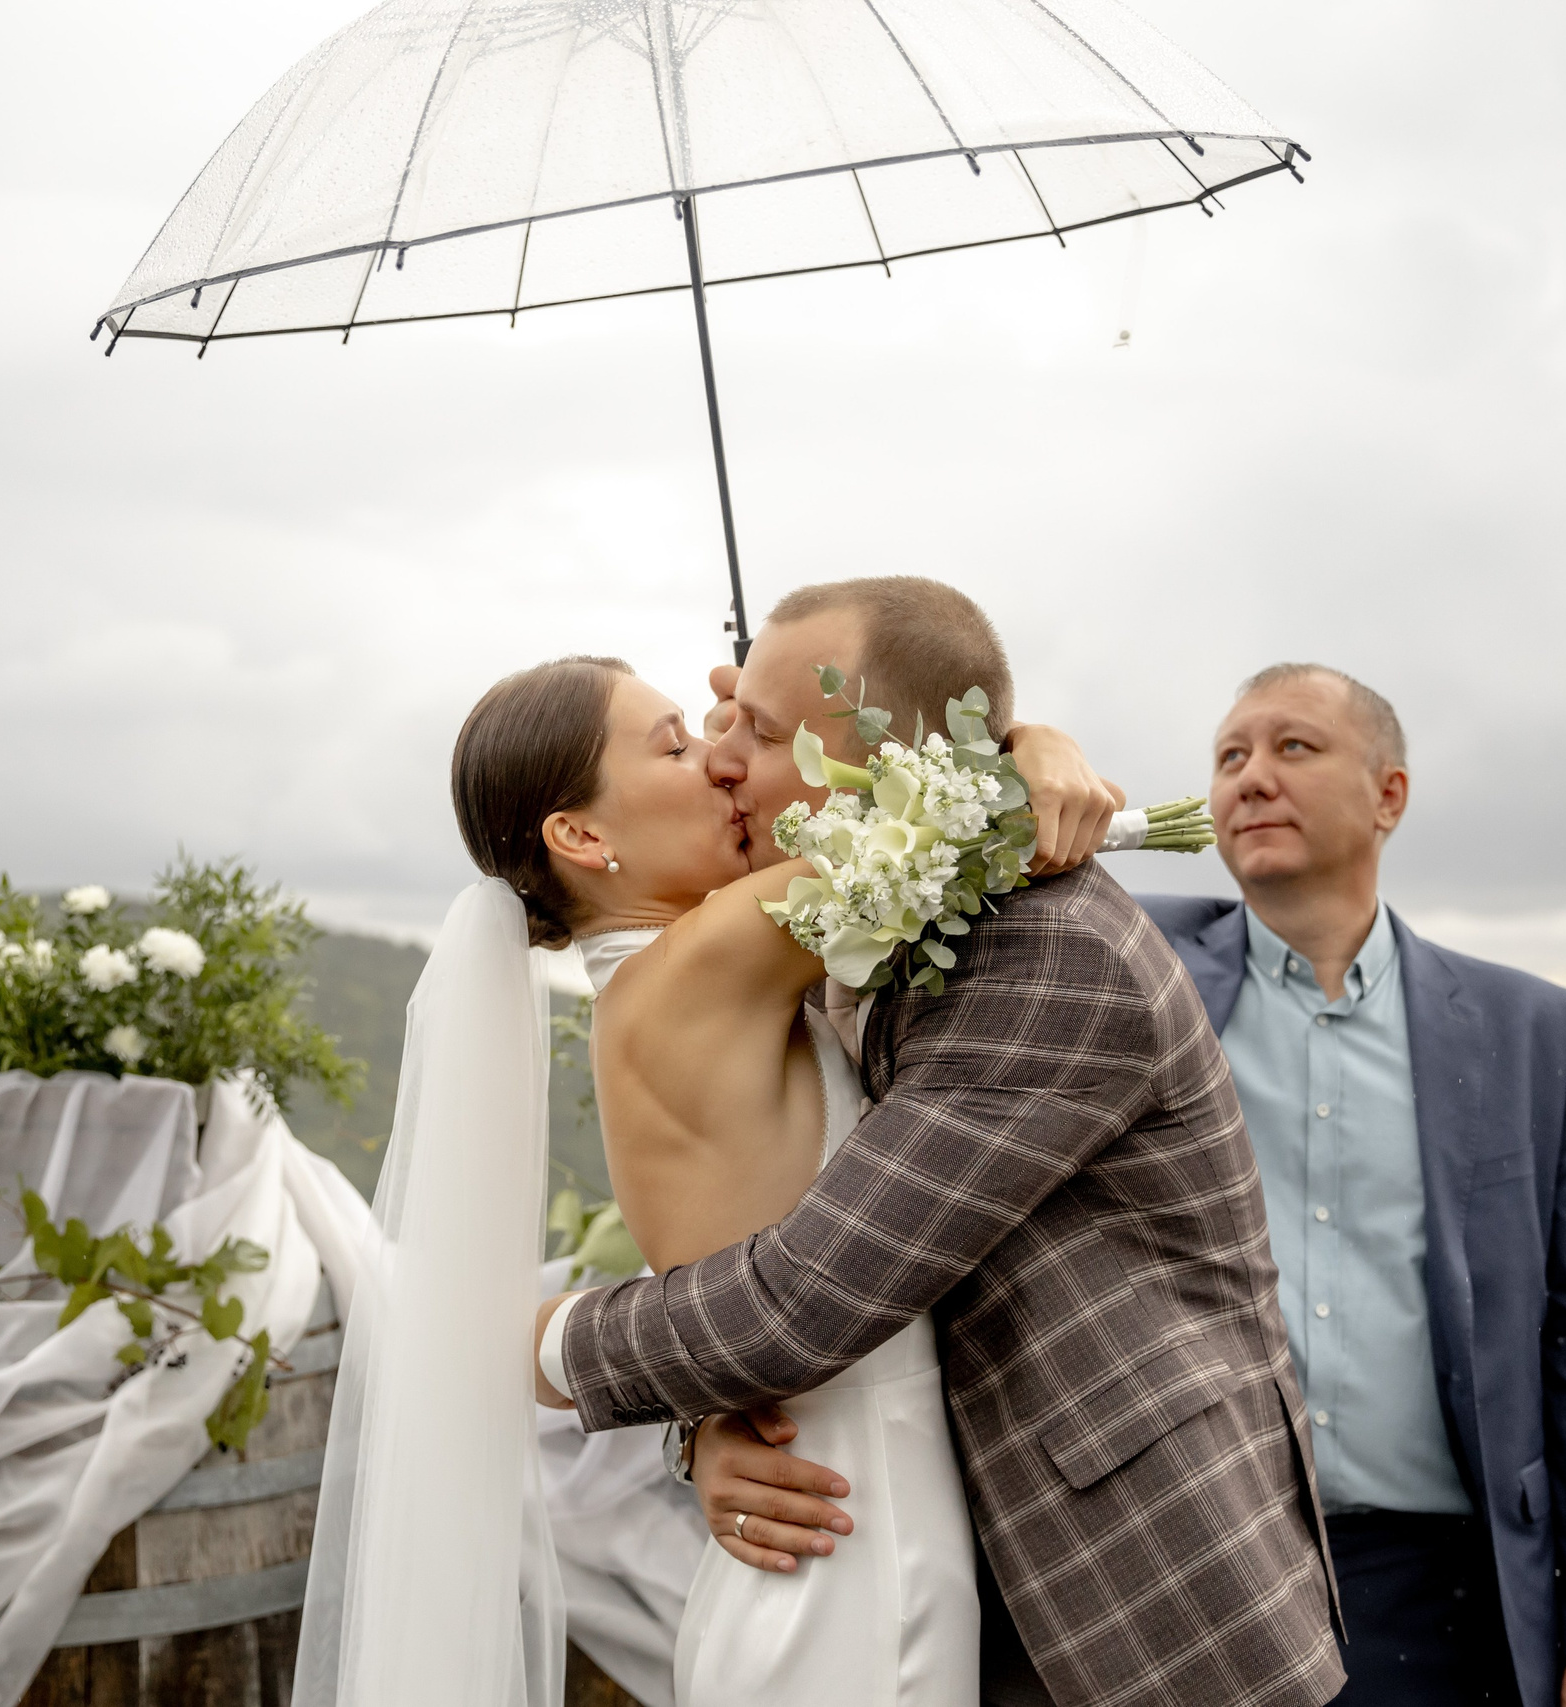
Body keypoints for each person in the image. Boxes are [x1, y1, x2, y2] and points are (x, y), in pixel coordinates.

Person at [537, 578, 1345, 1707]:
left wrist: (537, 1350)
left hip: (1135, 1603)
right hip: (931, 1557)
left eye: (757, 732)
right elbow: (751, 1205)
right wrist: (711, 1425)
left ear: (887, 768)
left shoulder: (1043, 953)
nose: (722, 760)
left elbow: (800, 1300)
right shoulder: (859, 923)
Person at [293, 613, 1122, 1707]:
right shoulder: (704, 962)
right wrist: (1031, 747)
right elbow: (933, 829)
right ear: (580, 836)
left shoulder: (657, 982)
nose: (721, 764)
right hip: (849, 1541)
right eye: (677, 745)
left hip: (820, 1526)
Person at [1133, 664, 1566, 1707]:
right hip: (1188, 1578)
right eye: (1229, 756)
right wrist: (1034, 759)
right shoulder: (1135, 969)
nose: (1251, 777)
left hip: (1447, 1604)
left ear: (1389, 795)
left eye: (1293, 747)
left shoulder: (1537, 1035)